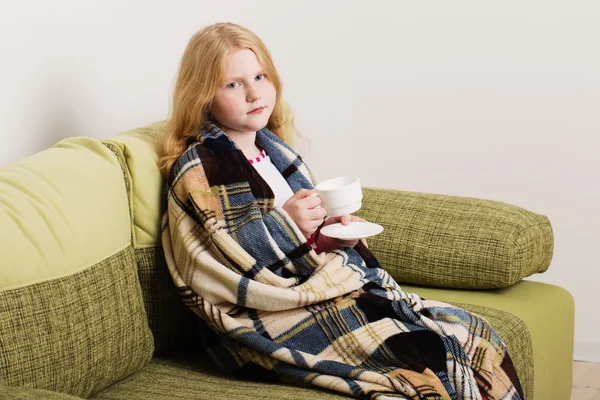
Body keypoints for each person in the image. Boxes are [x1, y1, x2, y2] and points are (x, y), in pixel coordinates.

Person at [156, 22, 524, 400]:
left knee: (473, 333)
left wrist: (325, 235)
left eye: (260, 76)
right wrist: (288, 226)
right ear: (203, 96)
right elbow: (224, 262)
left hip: (316, 288)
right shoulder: (201, 166)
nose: (253, 93)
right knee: (429, 359)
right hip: (269, 314)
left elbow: (295, 247)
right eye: (233, 84)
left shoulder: (274, 151)